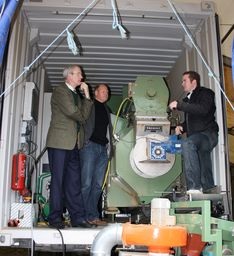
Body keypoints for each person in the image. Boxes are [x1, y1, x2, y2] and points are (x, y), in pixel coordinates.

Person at [46, 64, 94, 229]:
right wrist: (81, 114)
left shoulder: (77, 96)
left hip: (74, 144)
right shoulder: (60, 91)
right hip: (59, 142)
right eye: (79, 74)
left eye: (81, 74)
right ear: (69, 76)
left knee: (74, 182)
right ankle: (55, 218)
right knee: (58, 181)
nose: (82, 77)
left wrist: (87, 95)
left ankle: (78, 218)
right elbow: (74, 113)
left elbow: (85, 116)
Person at [168, 71, 219, 194]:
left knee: (187, 144)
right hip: (198, 137)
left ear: (194, 82)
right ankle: (208, 188)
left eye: (184, 80)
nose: (182, 84)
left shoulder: (206, 93)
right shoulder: (189, 100)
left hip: (208, 135)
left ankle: (194, 187)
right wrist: (181, 127)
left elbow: (203, 110)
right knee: (203, 161)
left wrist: (180, 105)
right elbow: (193, 120)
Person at [79, 83, 113, 226]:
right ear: (96, 93)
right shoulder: (89, 105)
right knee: (86, 183)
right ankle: (80, 215)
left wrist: (109, 148)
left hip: (102, 150)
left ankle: (93, 216)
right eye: (103, 91)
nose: (106, 94)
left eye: (107, 92)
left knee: (98, 185)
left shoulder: (107, 109)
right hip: (89, 147)